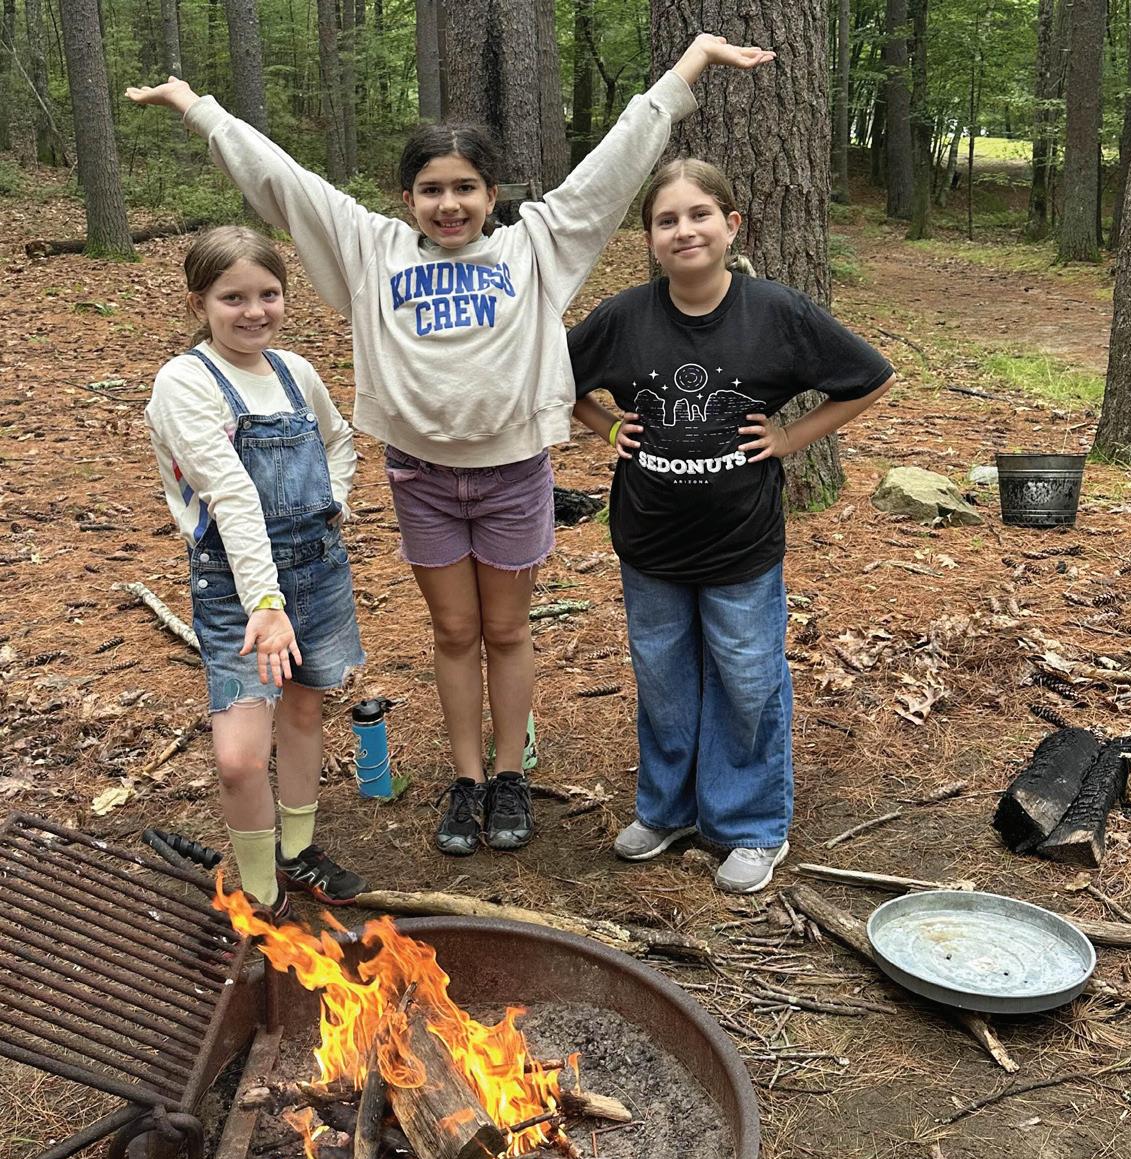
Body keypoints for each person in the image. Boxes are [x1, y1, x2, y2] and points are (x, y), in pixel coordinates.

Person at [126, 35, 774, 859]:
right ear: (407, 197)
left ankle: (509, 775)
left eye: (465, 187)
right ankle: (465, 779)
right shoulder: (371, 250)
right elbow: (281, 182)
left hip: (513, 475)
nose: (449, 204)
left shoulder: (536, 245)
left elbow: (614, 166)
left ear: (491, 193)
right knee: (454, 633)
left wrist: (688, 69)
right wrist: (197, 106)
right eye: (431, 189)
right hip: (422, 478)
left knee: (506, 631)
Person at [568, 160, 895, 894]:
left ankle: (750, 824)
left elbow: (869, 377)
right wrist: (604, 426)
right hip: (649, 540)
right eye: (666, 220)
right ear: (649, 238)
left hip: (741, 543)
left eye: (699, 215)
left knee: (747, 681)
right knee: (663, 679)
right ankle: (667, 809)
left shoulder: (775, 313)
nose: (684, 230)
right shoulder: (622, 318)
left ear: (731, 225)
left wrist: (789, 437)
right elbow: (551, 378)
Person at [145, 226, 367, 915]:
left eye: (268, 294)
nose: (254, 311)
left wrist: (334, 503)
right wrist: (265, 604)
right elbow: (232, 496)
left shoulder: (295, 372)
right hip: (238, 589)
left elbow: (339, 439)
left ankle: (297, 853)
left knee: (303, 707)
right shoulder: (185, 383)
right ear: (199, 303)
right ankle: (261, 897)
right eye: (232, 298)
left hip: (317, 571)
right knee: (240, 757)